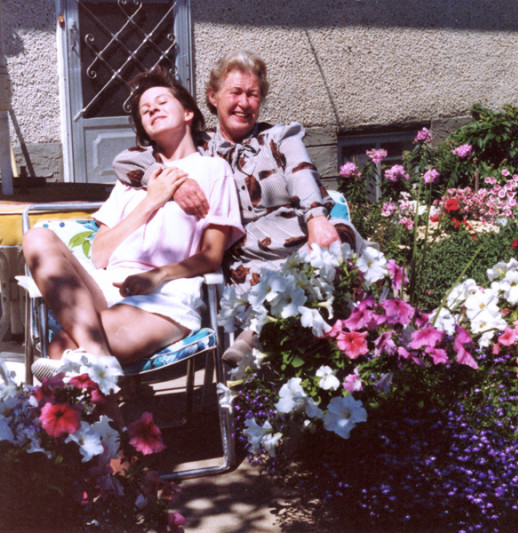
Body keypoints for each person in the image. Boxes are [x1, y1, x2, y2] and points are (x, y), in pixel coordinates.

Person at [112, 51, 365, 363]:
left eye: (252, 94)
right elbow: (124, 160)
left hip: (300, 239)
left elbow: (302, 174)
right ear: (213, 97)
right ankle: (267, 325)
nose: (244, 103)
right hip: (247, 257)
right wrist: (170, 182)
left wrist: (316, 219)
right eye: (235, 93)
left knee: (340, 239)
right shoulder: (199, 146)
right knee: (297, 277)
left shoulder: (279, 137)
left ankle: (260, 329)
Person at [23, 68, 244, 377]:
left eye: (162, 101)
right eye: (145, 109)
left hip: (164, 294)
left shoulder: (212, 170)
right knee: (36, 237)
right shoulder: (133, 179)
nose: (152, 108)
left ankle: (113, 407)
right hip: (105, 290)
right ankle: (104, 372)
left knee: (64, 348)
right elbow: (100, 254)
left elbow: (212, 255)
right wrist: (152, 199)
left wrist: (156, 276)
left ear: (188, 113)